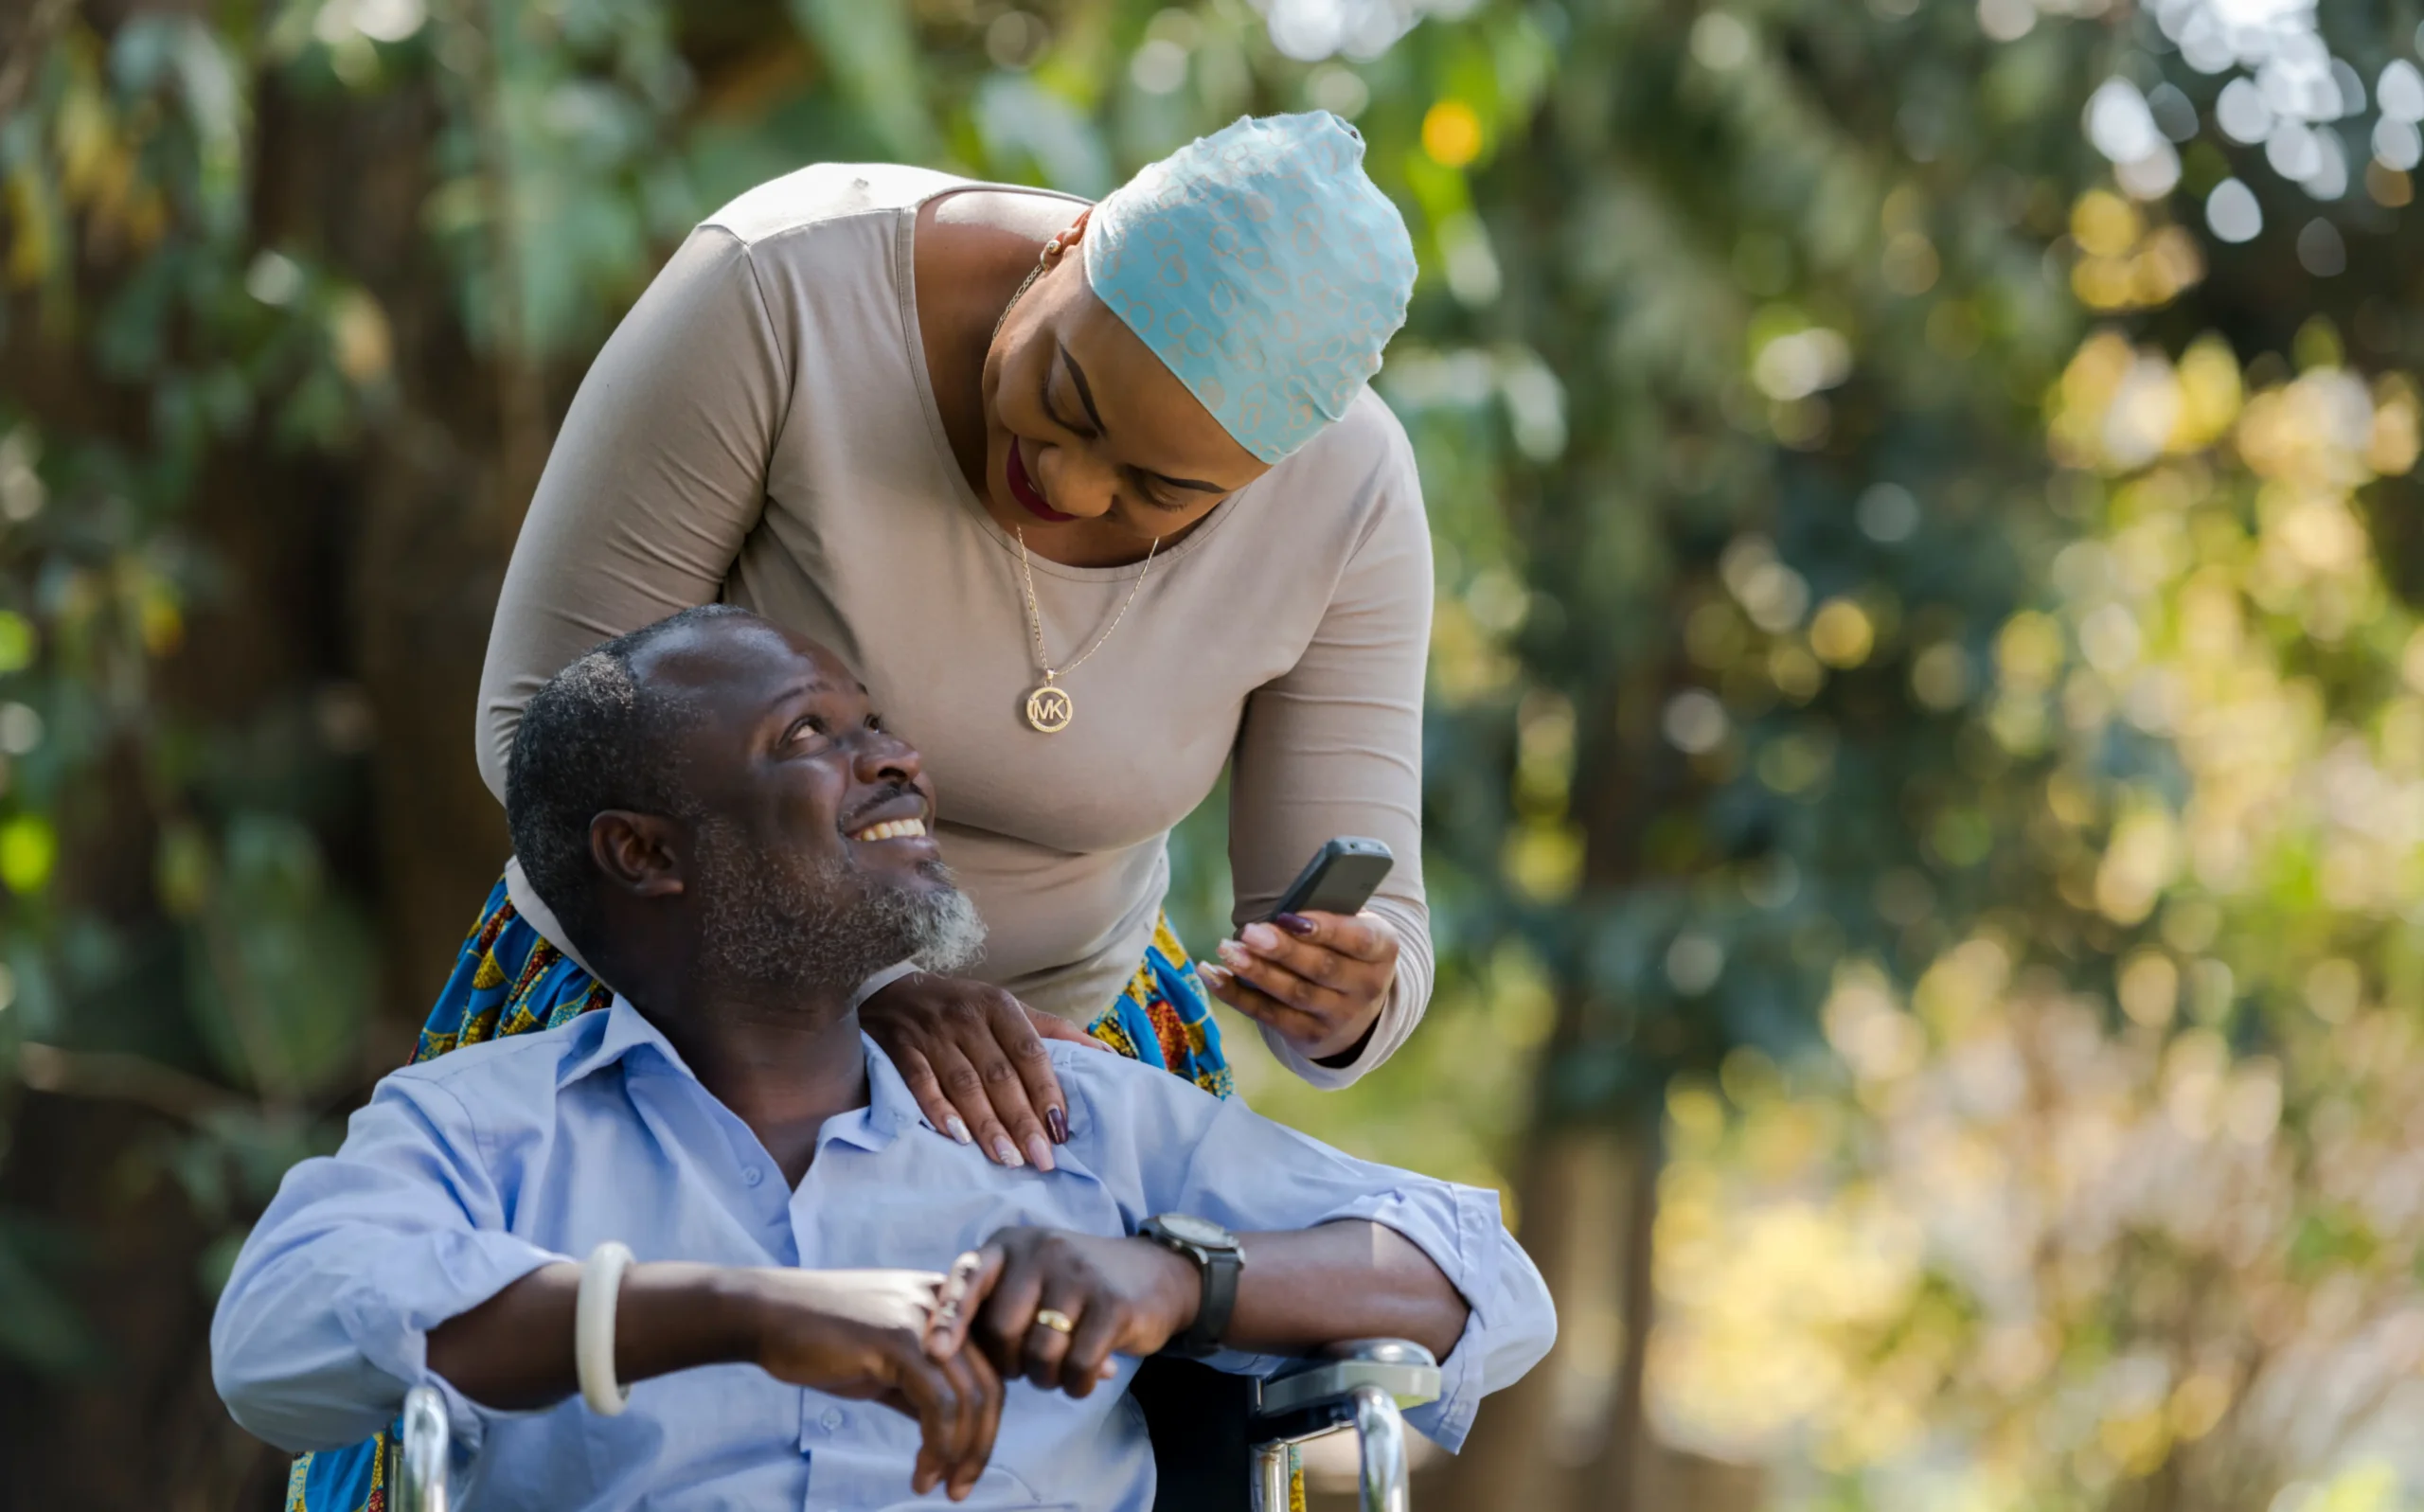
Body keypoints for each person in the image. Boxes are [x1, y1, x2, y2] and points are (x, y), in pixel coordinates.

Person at [212, 609, 1555, 1510]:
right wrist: (748, 1315)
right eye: (810, 736)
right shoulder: (485, 1127)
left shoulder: (1064, 1110)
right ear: (645, 851)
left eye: (875, 725)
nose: (897, 758)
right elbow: (277, 1336)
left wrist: (1170, 1279)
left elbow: (1480, 1279)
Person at [447, 109, 1439, 1166]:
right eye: (1066, 398)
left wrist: (1341, 991)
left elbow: (1374, 922)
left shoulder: (1350, 495)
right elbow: (539, 731)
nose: (1067, 485)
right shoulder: (786, 288)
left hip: (1053, 1071)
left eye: (1158, 489)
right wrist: (859, 988)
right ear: (1068, 244)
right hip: (675, 1022)